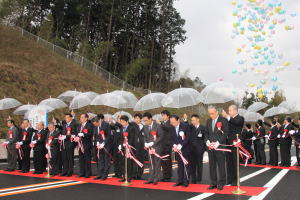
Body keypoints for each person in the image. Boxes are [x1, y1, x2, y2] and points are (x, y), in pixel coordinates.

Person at [205, 106, 228, 191]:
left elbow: (225, 133)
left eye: (212, 113)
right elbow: (206, 133)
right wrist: (207, 141)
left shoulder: (223, 120)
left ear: (216, 112)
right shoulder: (208, 121)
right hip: (210, 147)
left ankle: (221, 183)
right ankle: (213, 183)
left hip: (220, 147)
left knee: (221, 165)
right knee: (212, 166)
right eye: (209, 113)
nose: (211, 115)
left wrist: (218, 143)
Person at [222, 105, 244, 186]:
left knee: (235, 162)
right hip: (228, 143)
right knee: (229, 162)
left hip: (235, 143)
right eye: (228, 111)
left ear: (235, 110)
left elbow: (236, 122)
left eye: (230, 110)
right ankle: (230, 179)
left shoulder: (240, 118)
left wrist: (227, 116)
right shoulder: (228, 120)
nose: (229, 112)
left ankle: (236, 180)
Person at [143, 112, 164, 185]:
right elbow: (145, 136)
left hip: (157, 147)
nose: (145, 122)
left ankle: (156, 178)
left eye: (146, 120)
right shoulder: (145, 126)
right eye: (144, 121)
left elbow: (161, 137)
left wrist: (153, 143)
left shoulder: (157, 126)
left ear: (150, 119)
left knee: (157, 163)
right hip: (149, 147)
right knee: (151, 163)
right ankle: (151, 178)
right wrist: (145, 143)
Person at [170, 114, 191, 187]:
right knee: (180, 165)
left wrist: (181, 145)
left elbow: (188, 137)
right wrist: (174, 145)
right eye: (171, 122)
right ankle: (180, 180)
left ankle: (186, 180)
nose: (173, 124)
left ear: (178, 120)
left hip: (185, 149)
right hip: (177, 150)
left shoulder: (185, 126)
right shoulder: (171, 127)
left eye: (174, 122)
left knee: (186, 165)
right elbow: (171, 138)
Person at [92, 115, 112, 181]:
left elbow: (109, 136)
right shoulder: (95, 126)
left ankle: (105, 174)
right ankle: (100, 174)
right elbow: (96, 135)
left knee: (106, 160)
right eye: (94, 124)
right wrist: (97, 143)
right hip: (99, 146)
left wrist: (103, 143)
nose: (95, 125)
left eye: (96, 124)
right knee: (100, 160)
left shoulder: (106, 125)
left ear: (98, 121)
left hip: (106, 145)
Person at [118, 115, 136, 183]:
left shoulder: (131, 128)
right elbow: (120, 138)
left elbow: (132, 138)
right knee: (123, 162)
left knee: (128, 163)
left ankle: (129, 177)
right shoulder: (121, 128)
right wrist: (120, 145)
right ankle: (124, 176)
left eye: (123, 122)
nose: (121, 123)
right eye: (121, 122)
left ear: (127, 121)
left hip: (129, 147)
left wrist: (128, 145)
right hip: (123, 147)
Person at [189, 114, 206, 184]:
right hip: (192, 149)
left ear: (198, 119)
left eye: (193, 120)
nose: (192, 121)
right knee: (192, 164)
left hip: (200, 149)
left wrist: (204, 149)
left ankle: (199, 177)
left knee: (199, 164)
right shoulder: (190, 127)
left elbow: (205, 138)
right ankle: (193, 178)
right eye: (191, 120)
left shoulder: (203, 128)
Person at [76, 113, 93, 178]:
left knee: (87, 159)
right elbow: (77, 133)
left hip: (86, 144)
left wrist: (83, 134)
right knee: (81, 159)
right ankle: (82, 172)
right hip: (80, 145)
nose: (81, 119)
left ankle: (88, 173)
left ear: (86, 118)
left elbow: (90, 134)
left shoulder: (89, 125)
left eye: (82, 117)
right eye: (80, 117)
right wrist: (76, 137)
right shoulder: (79, 125)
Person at [159, 110, 173, 182]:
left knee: (167, 160)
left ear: (168, 116)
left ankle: (168, 175)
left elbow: (168, 129)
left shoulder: (170, 122)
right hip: (161, 144)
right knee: (163, 161)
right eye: (162, 115)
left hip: (168, 144)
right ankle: (164, 175)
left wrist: (161, 124)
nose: (163, 117)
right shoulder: (162, 123)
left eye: (164, 115)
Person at [132, 113, 146, 180]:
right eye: (135, 118)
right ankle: (134, 174)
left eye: (138, 118)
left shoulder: (144, 126)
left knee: (141, 160)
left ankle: (140, 174)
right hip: (134, 146)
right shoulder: (132, 126)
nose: (136, 119)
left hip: (142, 146)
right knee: (134, 160)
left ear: (141, 119)